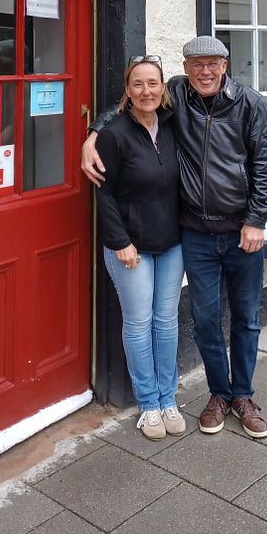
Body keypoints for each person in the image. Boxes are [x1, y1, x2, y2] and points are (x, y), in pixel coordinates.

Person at [83, 36, 267, 439]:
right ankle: (218, 395)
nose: (204, 71)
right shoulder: (176, 95)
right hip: (197, 234)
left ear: (225, 65)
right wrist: (92, 134)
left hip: (243, 232)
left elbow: (265, 166)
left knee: (246, 318)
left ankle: (242, 396)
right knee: (205, 321)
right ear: (185, 69)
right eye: (195, 64)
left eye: (212, 63)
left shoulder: (250, 104)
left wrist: (257, 219)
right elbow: (132, 103)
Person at [95, 55, 186, 441]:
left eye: (153, 83)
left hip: (172, 242)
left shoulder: (172, 123)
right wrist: (121, 242)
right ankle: (148, 404)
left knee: (166, 321)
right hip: (130, 246)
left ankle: (168, 398)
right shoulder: (114, 134)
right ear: (127, 90)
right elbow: (104, 194)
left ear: (163, 87)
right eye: (138, 84)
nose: (146, 91)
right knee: (138, 322)